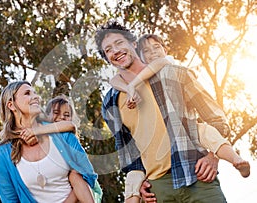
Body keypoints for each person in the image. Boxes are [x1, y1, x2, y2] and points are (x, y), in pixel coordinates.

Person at [96, 20, 230, 203]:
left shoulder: (174, 73)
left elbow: (216, 117)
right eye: (109, 49)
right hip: (158, 190)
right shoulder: (110, 103)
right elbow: (128, 152)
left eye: (119, 43)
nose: (116, 51)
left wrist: (212, 156)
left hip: (198, 178)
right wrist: (140, 181)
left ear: (133, 43)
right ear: (107, 57)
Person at [0, 81, 100, 203]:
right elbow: (10, 200)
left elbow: (87, 174)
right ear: (11, 105)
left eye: (35, 93)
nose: (36, 97)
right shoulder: (0, 155)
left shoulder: (63, 136)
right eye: (27, 93)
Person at [20, 95, 103, 203]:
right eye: (56, 113)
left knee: (74, 175)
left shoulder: (67, 136)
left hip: (83, 183)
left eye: (67, 115)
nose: (62, 117)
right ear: (47, 116)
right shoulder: (42, 140)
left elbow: (70, 126)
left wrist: (36, 131)